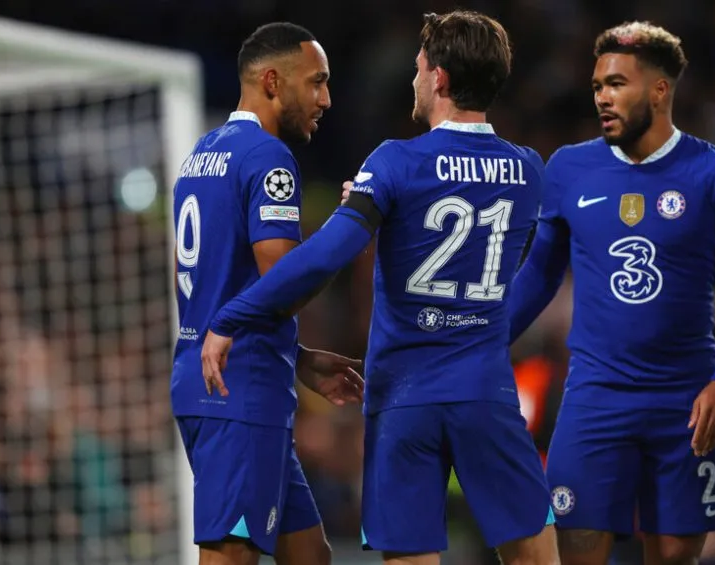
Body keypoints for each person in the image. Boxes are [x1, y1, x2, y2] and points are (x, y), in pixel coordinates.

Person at [202, 10, 559, 565]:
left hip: (402, 399)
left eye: (419, 69)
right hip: (486, 392)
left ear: (439, 78)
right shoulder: (529, 169)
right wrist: (494, 332)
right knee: (536, 558)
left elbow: (323, 257)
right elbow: (542, 268)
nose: (414, 80)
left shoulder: (394, 162)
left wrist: (234, 316)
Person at [505, 22, 715, 564]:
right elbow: (537, 276)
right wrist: (483, 342)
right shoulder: (569, 168)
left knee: (674, 557)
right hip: (594, 397)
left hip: (688, 400)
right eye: (598, 84)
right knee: (576, 551)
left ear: (659, 90)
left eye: (617, 83)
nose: (602, 96)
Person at [171, 22, 364, 565]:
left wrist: (296, 356)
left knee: (310, 555)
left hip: (212, 376)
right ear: (274, 82)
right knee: (231, 556)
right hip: (241, 392)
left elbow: (220, 283)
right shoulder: (268, 157)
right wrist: (352, 224)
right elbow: (284, 279)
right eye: (317, 82)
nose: (326, 98)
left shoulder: (202, 154)